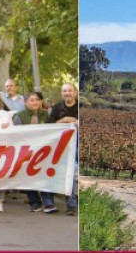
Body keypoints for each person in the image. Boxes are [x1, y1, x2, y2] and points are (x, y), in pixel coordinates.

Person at [13, 92, 58, 214]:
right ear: (26, 102)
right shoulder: (19, 116)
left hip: (44, 150)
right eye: (32, 100)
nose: (35, 102)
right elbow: (17, 135)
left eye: (37, 100)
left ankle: (49, 203)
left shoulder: (46, 115)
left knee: (45, 175)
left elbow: (53, 130)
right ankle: (35, 202)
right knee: (28, 176)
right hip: (27, 151)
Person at [47, 83, 78, 216]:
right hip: (60, 146)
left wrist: (75, 120)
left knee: (71, 173)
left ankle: (71, 205)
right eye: (65, 91)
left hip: (76, 145)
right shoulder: (56, 108)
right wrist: (64, 120)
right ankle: (50, 203)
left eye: (70, 91)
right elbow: (49, 126)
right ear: (62, 94)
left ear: (75, 93)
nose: (67, 93)